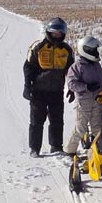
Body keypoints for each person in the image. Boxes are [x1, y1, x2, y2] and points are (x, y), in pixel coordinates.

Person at [23, 17, 74, 157]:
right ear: (49, 32)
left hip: (56, 91)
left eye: (60, 32)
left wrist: (71, 89)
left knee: (57, 120)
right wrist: (27, 86)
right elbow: (28, 68)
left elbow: (71, 71)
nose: (57, 35)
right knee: (36, 121)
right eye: (54, 32)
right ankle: (34, 148)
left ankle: (56, 146)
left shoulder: (67, 50)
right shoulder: (38, 47)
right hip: (38, 91)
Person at [64, 36, 102, 155]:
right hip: (84, 102)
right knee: (80, 128)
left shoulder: (96, 65)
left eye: (95, 50)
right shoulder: (77, 66)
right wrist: (86, 87)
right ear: (85, 50)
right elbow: (71, 83)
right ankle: (69, 151)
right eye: (93, 50)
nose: (95, 52)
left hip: (97, 100)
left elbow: (101, 80)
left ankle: (97, 151)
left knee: (97, 128)